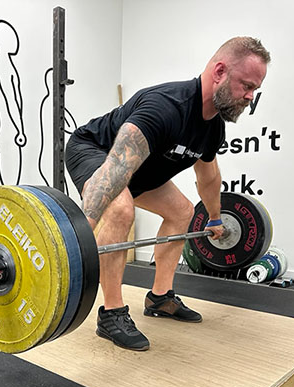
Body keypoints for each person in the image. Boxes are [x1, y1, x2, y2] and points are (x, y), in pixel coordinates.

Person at [65, 37, 270, 351]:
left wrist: (215, 218)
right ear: (219, 72)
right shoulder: (166, 106)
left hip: (138, 173)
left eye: (255, 88)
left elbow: (209, 177)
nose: (250, 96)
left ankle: (160, 297)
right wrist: (75, 239)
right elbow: (115, 170)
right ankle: (111, 313)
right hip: (97, 152)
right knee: (119, 208)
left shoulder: (212, 128)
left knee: (183, 212)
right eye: (246, 85)